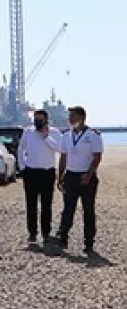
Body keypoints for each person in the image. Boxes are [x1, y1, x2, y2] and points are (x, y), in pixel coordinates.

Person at [54, 106, 103, 254]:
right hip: (71, 176)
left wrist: (88, 175)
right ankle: (63, 237)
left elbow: (97, 157)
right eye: (69, 116)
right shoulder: (66, 136)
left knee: (88, 210)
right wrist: (60, 176)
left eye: (73, 116)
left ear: (82, 117)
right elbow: (63, 157)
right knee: (68, 208)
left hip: (87, 176)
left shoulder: (93, 135)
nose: (70, 119)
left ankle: (89, 243)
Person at [17, 109, 62, 245]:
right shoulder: (28, 132)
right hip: (31, 172)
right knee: (31, 204)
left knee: (46, 205)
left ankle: (46, 233)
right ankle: (32, 232)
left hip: (47, 173)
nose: (37, 122)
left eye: (40, 120)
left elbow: (60, 149)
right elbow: (21, 149)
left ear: (46, 120)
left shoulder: (54, 132)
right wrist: (22, 167)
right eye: (36, 119)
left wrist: (46, 137)